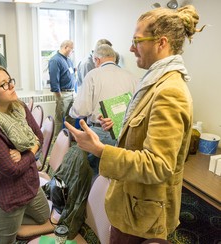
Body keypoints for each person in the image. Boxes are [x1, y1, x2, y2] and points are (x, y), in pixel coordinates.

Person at [65, 5, 205, 243]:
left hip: (142, 216)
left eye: (137, 41)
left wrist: (100, 150)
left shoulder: (170, 91)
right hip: (132, 203)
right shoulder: (153, 81)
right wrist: (119, 126)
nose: (130, 48)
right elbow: (144, 134)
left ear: (161, 43)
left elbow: (158, 165)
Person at [0, 65, 50, 244]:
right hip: (6, 195)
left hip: (30, 183)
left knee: (44, 217)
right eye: (4, 85)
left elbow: (40, 137)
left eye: (10, 80)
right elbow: (12, 169)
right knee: (6, 241)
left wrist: (26, 152)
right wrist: (32, 152)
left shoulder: (18, 107)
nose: (12, 86)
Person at [69, 44, 137, 176]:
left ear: (97, 60)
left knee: (96, 173)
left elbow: (80, 111)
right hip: (125, 132)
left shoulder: (93, 75)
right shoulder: (132, 76)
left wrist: (72, 111)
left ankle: (95, 195)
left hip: (100, 132)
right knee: (118, 172)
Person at [49, 40, 76, 136]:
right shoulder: (55, 60)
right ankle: (56, 140)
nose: (72, 52)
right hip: (63, 94)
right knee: (60, 119)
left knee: (71, 117)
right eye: (71, 49)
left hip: (72, 93)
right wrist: (59, 96)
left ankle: (70, 137)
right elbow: (54, 80)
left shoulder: (68, 60)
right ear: (65, 47)